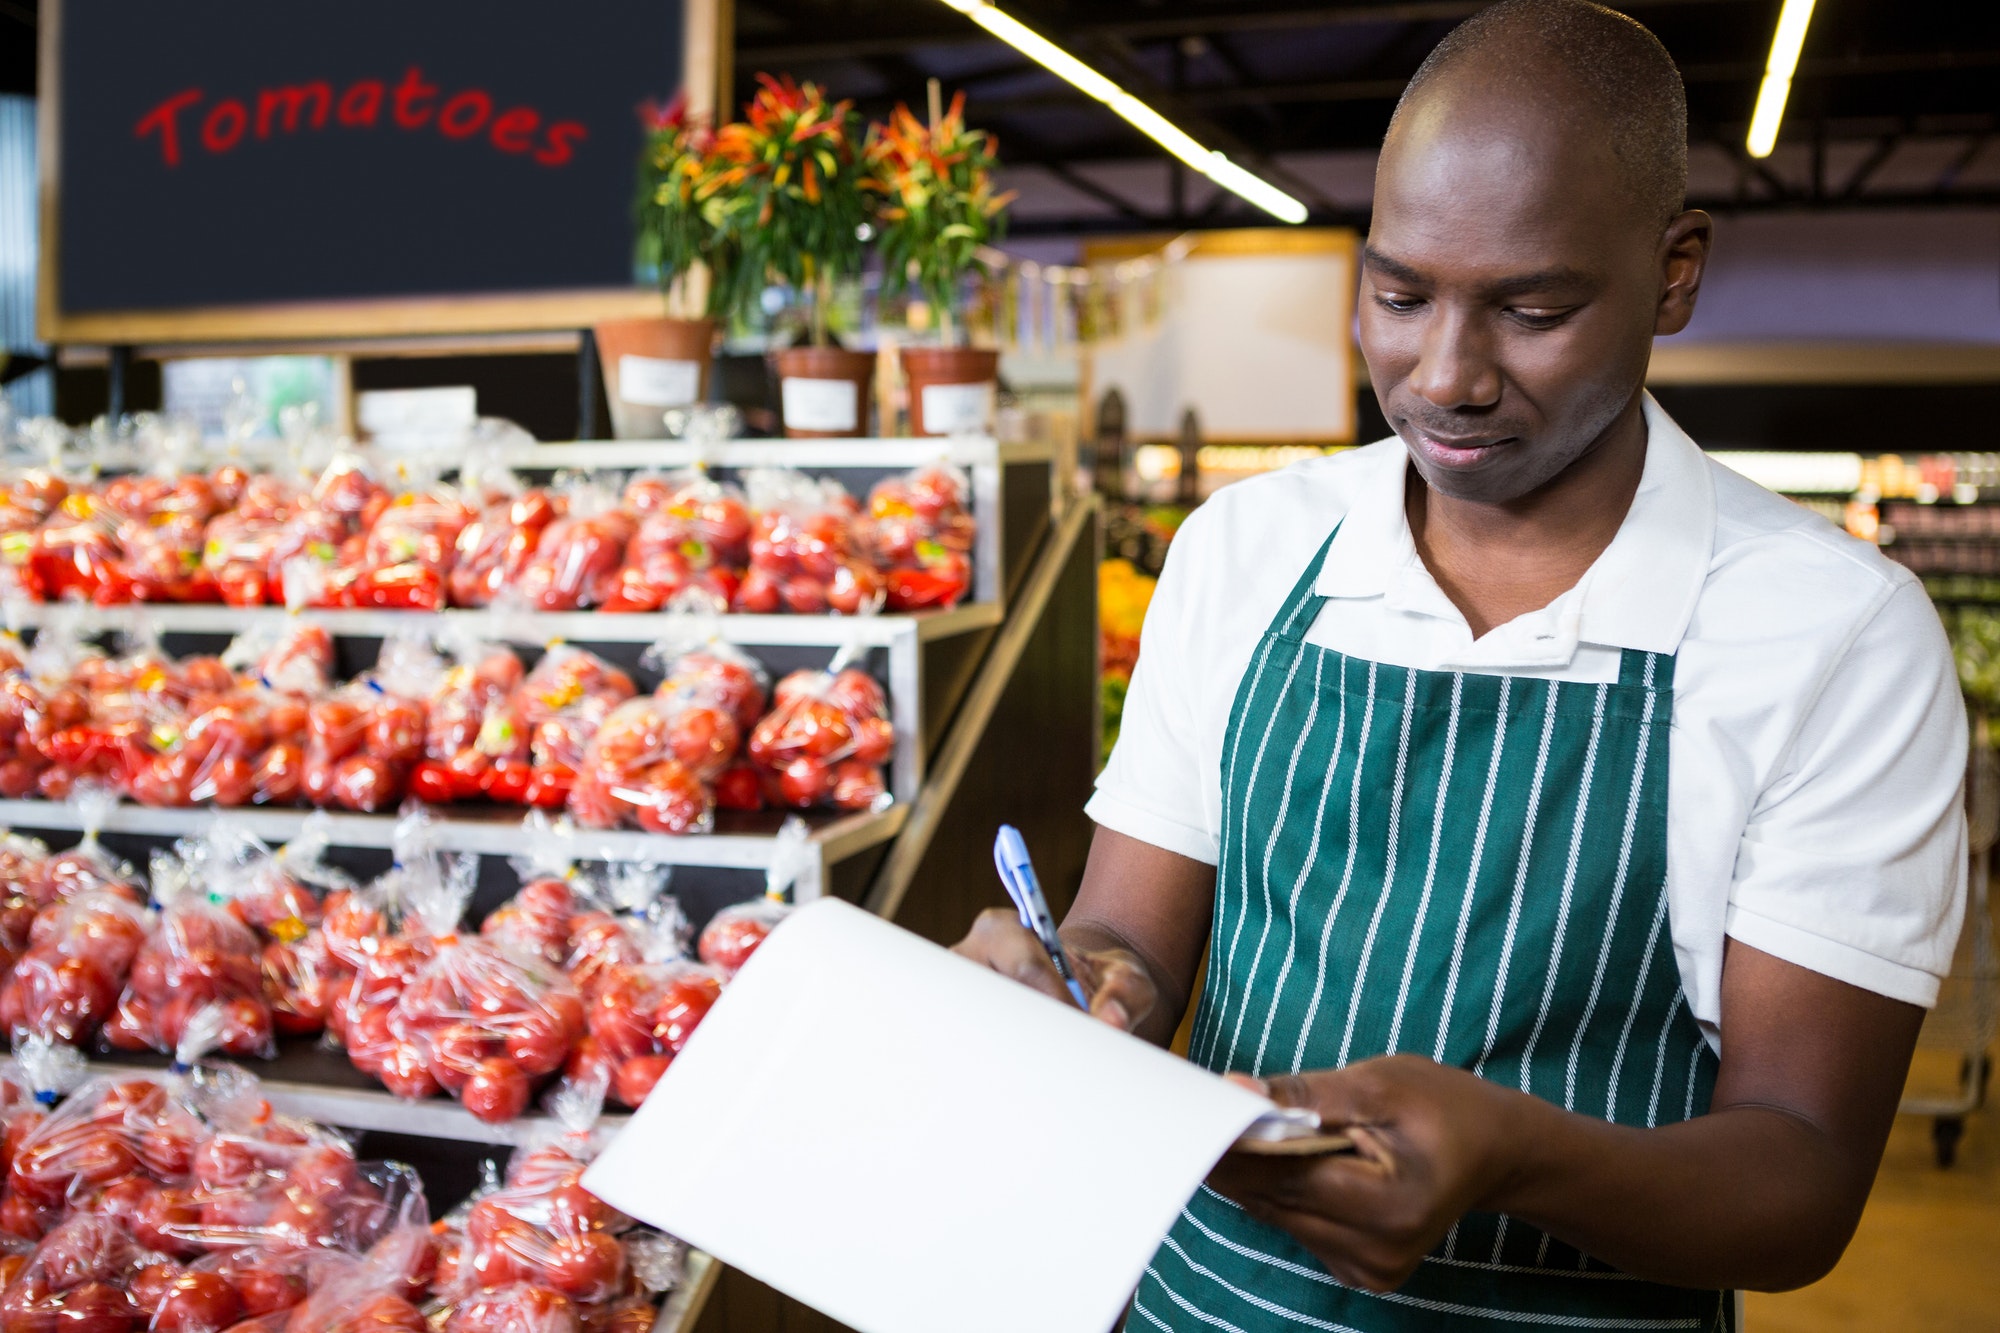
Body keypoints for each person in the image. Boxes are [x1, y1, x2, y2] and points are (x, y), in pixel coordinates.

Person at [953, 1, 1969, 1328]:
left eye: (1531, 308)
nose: (1443, 374)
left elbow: (1802, 1174)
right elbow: (1127, 929)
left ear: (1675, 272)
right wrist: (1079, 978)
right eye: (1397, 292)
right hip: (1203, 1299)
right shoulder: (1251, 550)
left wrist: (1514, 1150)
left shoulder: (1828, 635)